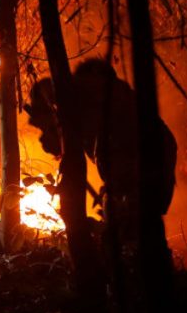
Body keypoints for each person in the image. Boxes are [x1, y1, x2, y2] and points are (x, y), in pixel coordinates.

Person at [25, 59, 177, 247]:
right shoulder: (104, 99)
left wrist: (48, 115)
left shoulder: (90, 94)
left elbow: (50, 92)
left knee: (129, 216)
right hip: (158, 151)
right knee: (144, 217)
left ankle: (134, 263)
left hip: (142, 155)